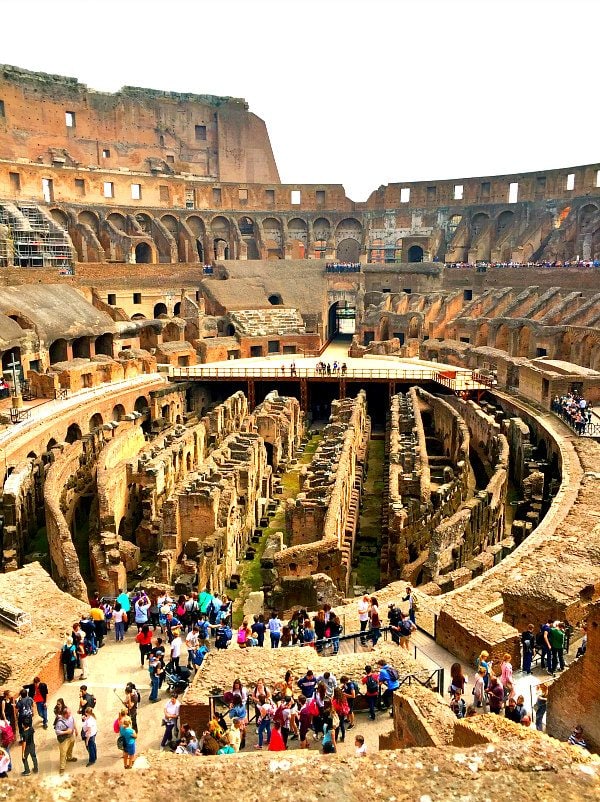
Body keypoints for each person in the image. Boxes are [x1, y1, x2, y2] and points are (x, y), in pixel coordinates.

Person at [54, 705, 77, 775]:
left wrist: (76, 730)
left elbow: (73, 722)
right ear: (65, 714)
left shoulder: (71, 717)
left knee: (70, 748)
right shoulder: (60, 722)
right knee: (63, 753)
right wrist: (66, 732)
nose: (70, 714)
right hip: (64, 740)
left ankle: (69, 757)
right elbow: (57, 732)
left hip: (71, 737)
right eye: (69, 713)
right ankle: (62, 767)